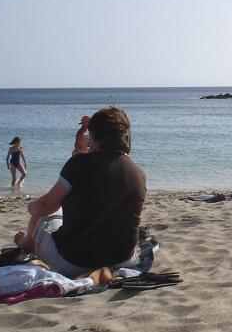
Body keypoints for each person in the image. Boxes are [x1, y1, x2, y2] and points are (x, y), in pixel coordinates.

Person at [13, 107, 146, 277]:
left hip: (75, 261)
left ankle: (28, 243)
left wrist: (31, 207)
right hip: (123, 260)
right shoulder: (138, 174)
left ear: (95, 136)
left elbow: (45, 206)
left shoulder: (78, 164)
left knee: (45, 215)